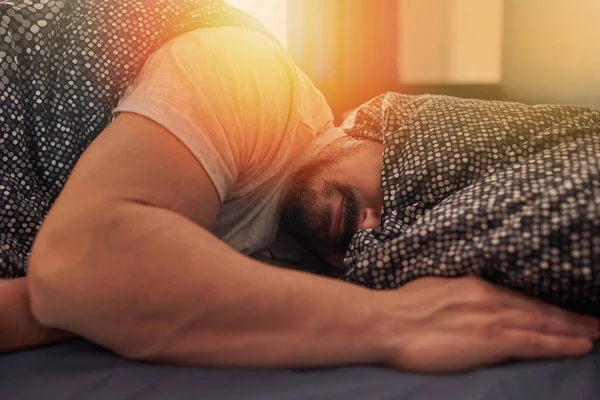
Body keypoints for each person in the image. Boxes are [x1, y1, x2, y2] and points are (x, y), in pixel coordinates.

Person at [1, 0, 598, 372]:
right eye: (402, 186)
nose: (373, 226)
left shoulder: (305, 273)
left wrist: (94, 296)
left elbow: (60, 292)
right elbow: (84, 267)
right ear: (383, 124)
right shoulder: (250, 76)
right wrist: (393, 322)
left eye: (403, 229)